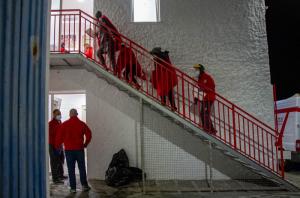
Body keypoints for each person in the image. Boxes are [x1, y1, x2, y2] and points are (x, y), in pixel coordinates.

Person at [55, 109, 92, 193]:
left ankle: (73, 188)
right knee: (82, 168)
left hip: (69, 151)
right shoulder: (82, 124)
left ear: (69, 114)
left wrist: (58, 147)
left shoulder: (64, 124)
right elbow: (89, 134)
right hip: (79, 150)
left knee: (71, 169)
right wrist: (85, 144)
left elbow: (59, 137)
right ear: (77, 114)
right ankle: (85, 186)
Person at [193, 64, 217, 134]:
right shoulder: (199, 79)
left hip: (209, 98)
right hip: (205, 98)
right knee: (203, 113)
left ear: (201, 70)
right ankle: (209, 129)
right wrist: (196, 98)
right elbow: (198, 89)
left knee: (205, 113)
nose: (195, 71)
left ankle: (209, 129)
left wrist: (203, 88)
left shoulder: (207, 77)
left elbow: (212, 87)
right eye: (195, 70)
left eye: (197, 70)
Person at [49, 109, 66, 184]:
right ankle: (55, 178)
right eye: (57, 114)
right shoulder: (51, 123)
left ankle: (61, 175)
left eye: (60, 113)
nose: (59, 115)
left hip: (59, 145)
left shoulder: (59, 122)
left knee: (61, 160)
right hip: (53, 145)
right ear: (54, 115)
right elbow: (52, 134)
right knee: (54, 161)